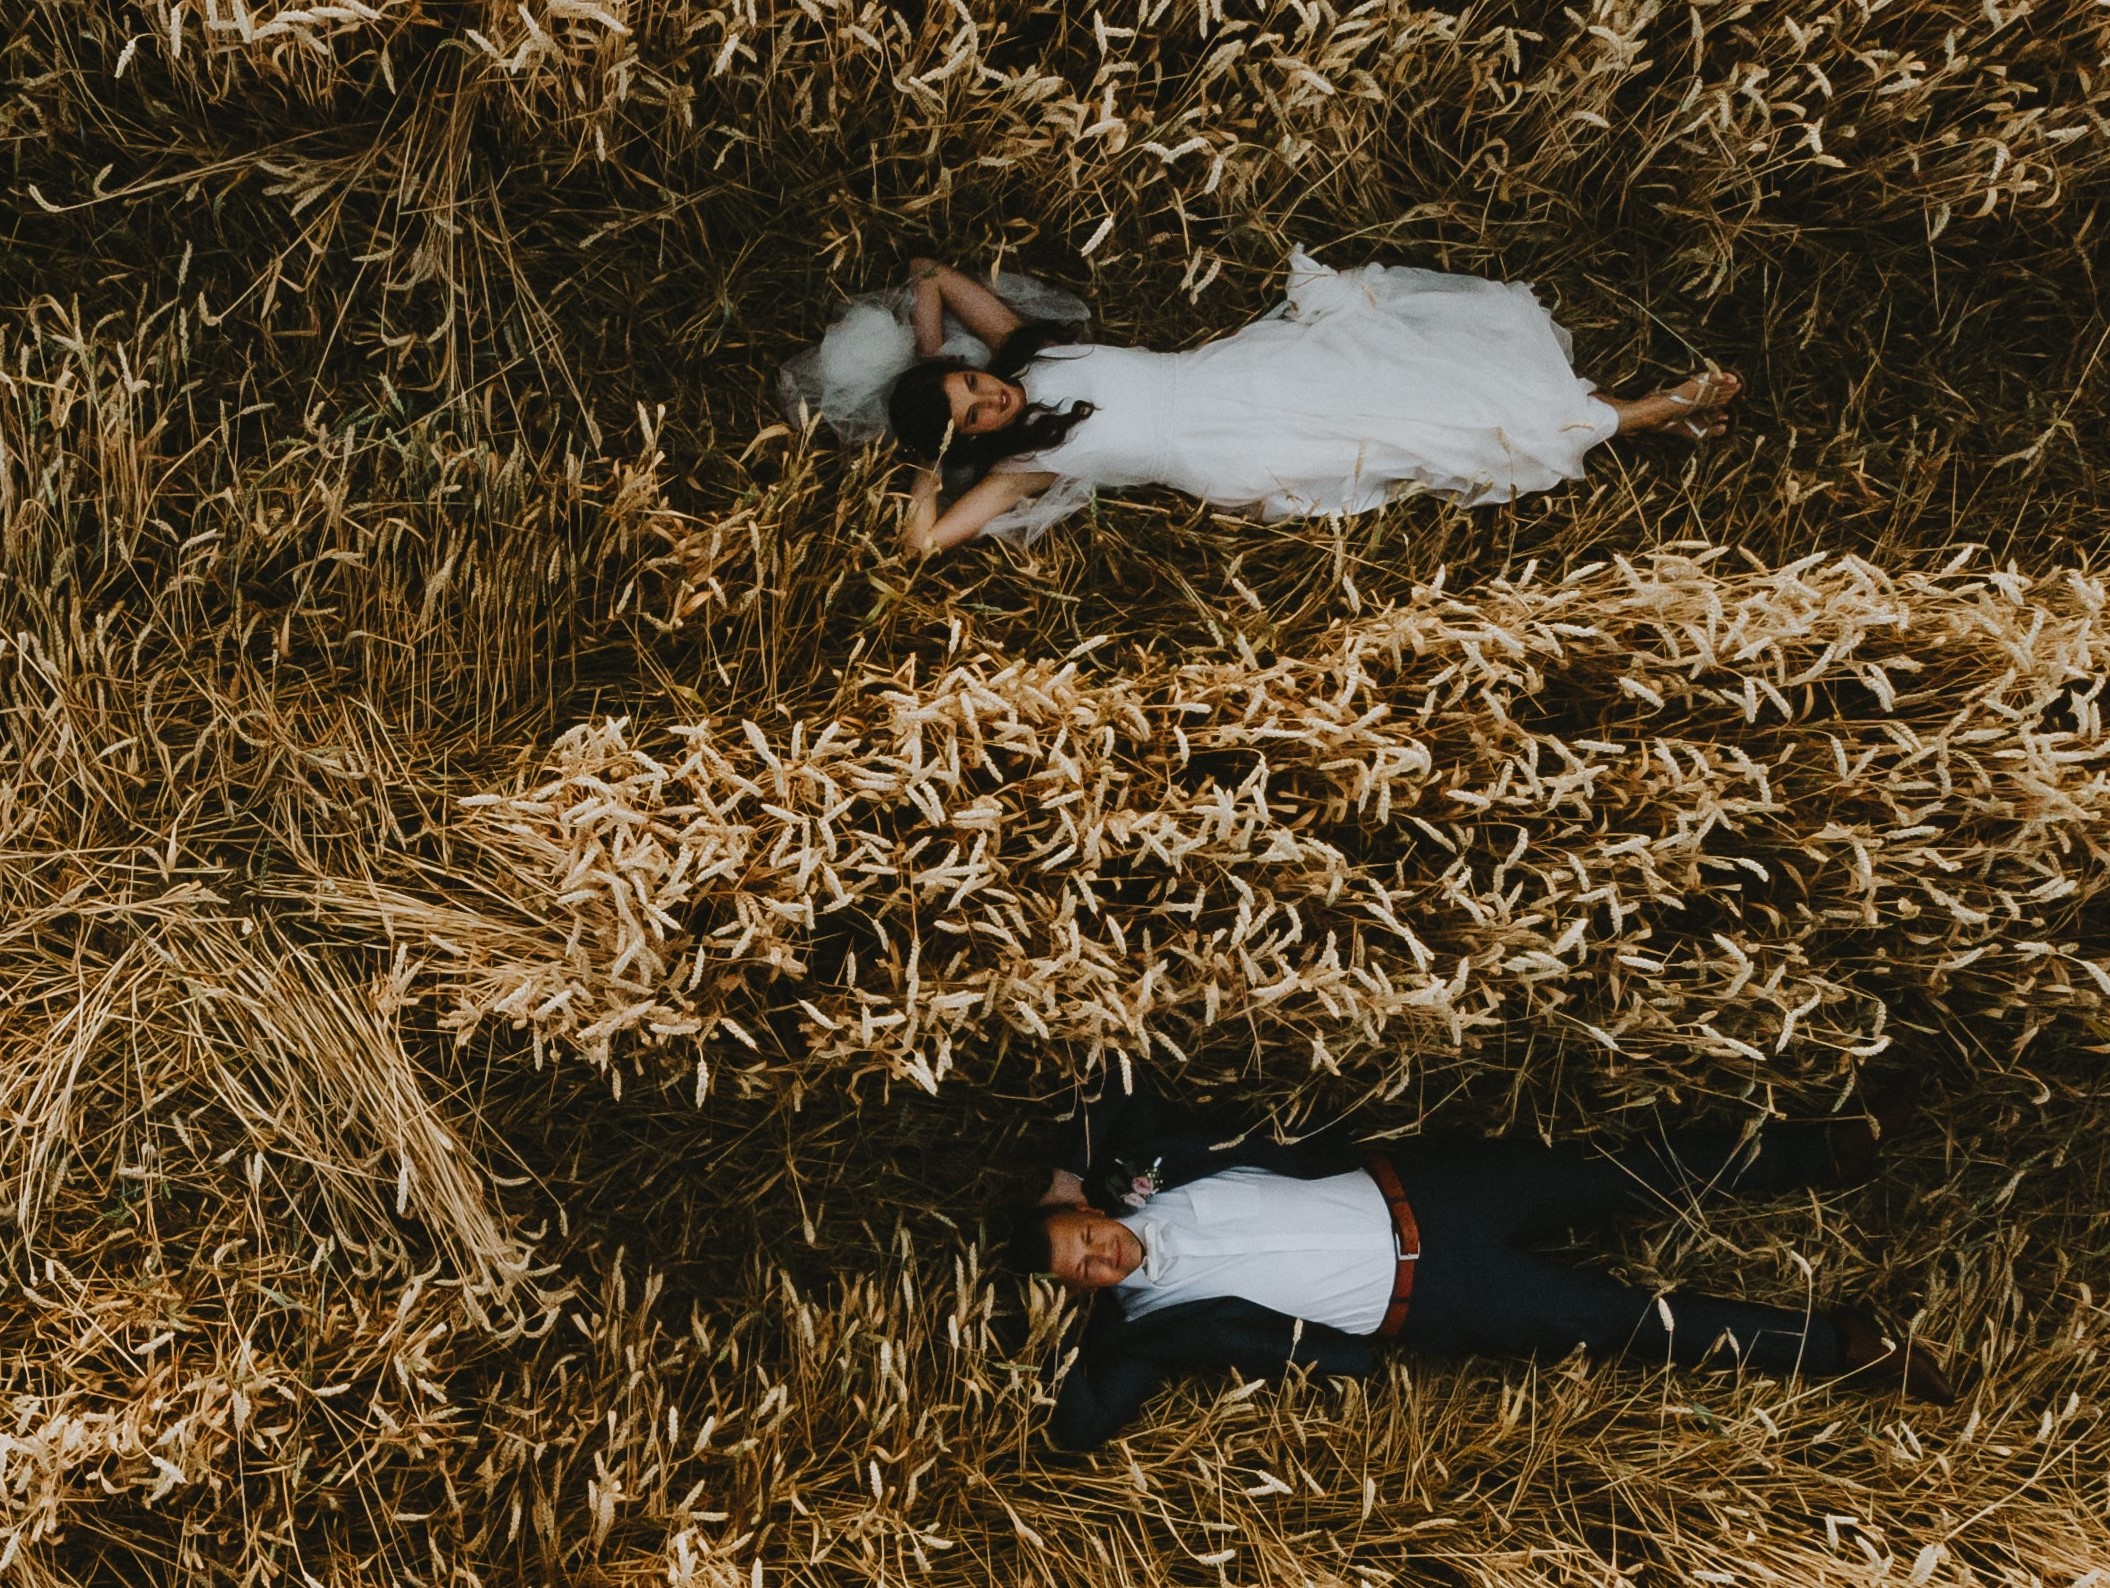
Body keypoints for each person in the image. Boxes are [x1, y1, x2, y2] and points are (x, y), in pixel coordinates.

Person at [1006, 1068, 1952, 1451]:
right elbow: (1080, 1426)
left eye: (1082, 1238)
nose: (1099, 1258)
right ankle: (1843, 1350)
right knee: (1634, 1326)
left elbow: (1115, 1075)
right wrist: (1039, 1337)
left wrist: (1061, 1174)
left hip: (1440, 1190)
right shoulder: (1145, 1330)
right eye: (1080, 1272)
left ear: (1088, 1211)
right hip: (1445, 1295)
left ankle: (1828, 1150)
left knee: (1630, 1170)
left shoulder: (1153, 1174)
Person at [884, 253, 1743, 555]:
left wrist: (931, 360)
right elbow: (924, 539)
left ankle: (1644, 413)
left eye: (972, 386)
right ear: (977, 442)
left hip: (1239, 373)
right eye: (975, 416)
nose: (989, 398)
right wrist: (931, 459)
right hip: (1228, 451)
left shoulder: (1023, 348)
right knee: (1421, 432)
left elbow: (930, 273)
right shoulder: (1022, 467)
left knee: (1425, 381)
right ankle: (1642, 413)